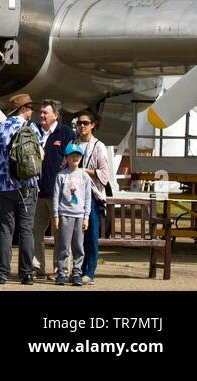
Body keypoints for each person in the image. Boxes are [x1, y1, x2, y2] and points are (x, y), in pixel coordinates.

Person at [0, 93, 44, 285]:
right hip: (27, 186)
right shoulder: (31, 128)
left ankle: (2, 273)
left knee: (6, 230)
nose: (32, 111)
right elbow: (41, 156)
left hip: (5, 187)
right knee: (26, 230)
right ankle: (27, 274)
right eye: (30, 108)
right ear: (23, 109)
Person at [33, 99, 76, 279]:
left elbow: (71, 160)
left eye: (46, 113)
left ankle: (60, 269)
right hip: (36, 192)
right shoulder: (33, 131)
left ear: (56, 115)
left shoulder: (66, 133)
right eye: (41, 112)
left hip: (58, 194)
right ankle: (36, 267)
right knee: (34, 231)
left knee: (60, 233)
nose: (41, 115)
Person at [74, 109, 113, 284]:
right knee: (77, 237)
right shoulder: (73, 143)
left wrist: (84, 170)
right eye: (79, 123)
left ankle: (89, 272)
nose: (82, 126)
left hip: (92, 197)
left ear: (93, 125)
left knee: (91, 236)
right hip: (75, 196)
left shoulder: (99, 146)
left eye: (86, 123)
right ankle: (77, 270)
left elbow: (104, 174)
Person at [51, 142, 93, 286]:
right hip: (65, 214)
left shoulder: (84, 176)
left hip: (79, 216)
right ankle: (62, 273)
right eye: (72, 155)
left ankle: (76, 273)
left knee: (78, 246)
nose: (75, 158)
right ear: (66, 158)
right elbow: (56, 197)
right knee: (63, 246)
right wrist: (56, 216)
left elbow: (88, 198)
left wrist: (86, 217)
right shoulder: (61, 176)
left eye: (78, 156)